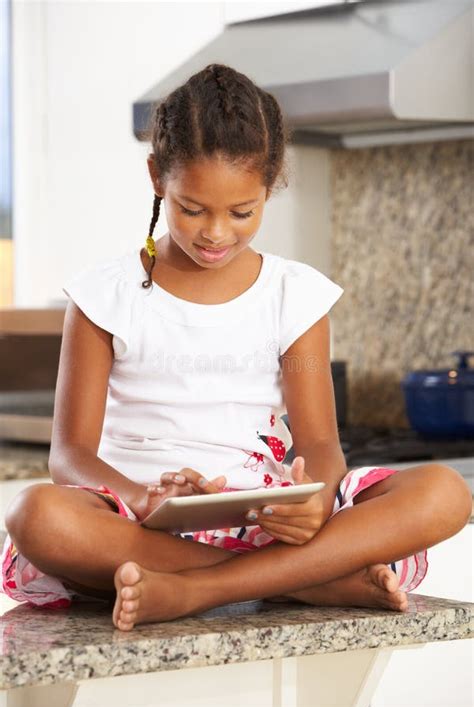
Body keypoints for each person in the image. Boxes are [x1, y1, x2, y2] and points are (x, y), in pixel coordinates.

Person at [2, 63, 471, 632]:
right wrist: (143, 499)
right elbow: (69, 457)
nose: (216, 233)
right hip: (140, 524)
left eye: (241, 213)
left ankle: (197, 589)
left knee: (444, 491)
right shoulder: (104, 296)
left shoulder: (293, 295)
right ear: (157, 178)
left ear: (269, 187)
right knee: (39, 515)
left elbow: (320, 442)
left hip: (265, 517)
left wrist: (313, 503)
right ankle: (310, 582)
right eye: (192, 209)